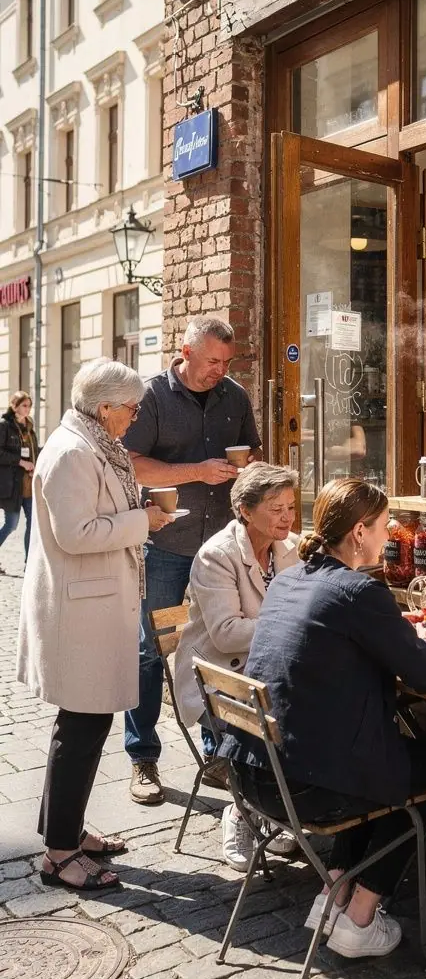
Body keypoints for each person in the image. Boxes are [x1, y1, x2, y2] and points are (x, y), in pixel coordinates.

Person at [219, 477, 426, 959]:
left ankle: (335, 890)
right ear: (360, 531)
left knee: (371, 759)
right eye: (385, 526)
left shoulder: (287, 580)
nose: (389, 536)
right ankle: (360, 916)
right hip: (307, 788)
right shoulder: (359, 592)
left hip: (254, 776)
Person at [17, 358, 171, 892]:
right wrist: (141, 521)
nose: (135, 417)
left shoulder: (95, 444)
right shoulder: (72, 452)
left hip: (94, 604)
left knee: (88, 724)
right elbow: (76, 533)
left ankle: (66, 829)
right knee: (80, 728)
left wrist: (137, 511)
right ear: (104, 408)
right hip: (78, 611)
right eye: (131, 409)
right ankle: (60, 855)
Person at [123, 314, 262, 805]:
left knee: (214, 647)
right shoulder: (151, 396)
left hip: (220, 547)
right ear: (185, 352)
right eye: (211, 361)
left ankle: (217, 753)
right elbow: (133, 464)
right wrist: (197, 471)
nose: (220, 371)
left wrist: (251, 472)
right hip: (165, 545)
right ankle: (143, 757)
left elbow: (254, 456)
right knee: (149, 650)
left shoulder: (235, 397)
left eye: (226, 362)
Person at [175, 462, 301, 869]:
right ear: (245, 510)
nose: (287, 517)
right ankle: (242, 811)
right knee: (272, 719)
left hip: (270, 671)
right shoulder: (217, 555)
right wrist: (291, 622)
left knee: (318, 708)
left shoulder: (291, 547)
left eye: (291, 507)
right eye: (276, 508)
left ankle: (275, 807)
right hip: (220, 678)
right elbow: (227, 634)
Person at [0, 391, 38, 569]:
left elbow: (34, 452)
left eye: (29, 405)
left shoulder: (29, 427)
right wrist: (21, 462)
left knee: (32, 523)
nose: (27, 409)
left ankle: (28, 563)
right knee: (11, 525)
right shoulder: (5, 426)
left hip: (29, 485)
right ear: (14, 406)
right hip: (12, 485)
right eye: (24, 405)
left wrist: (35, 467)